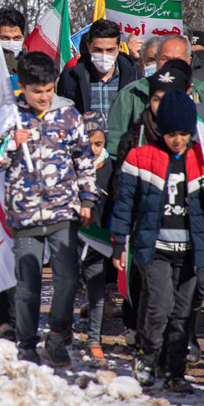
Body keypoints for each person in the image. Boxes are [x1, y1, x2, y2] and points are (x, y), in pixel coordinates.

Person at [0, 51, 98, 367]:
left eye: (49, 90)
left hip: (63, 212)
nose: (44, 97)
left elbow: (84, 160)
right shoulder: (11, 117)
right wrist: (10, 142)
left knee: (67, 280)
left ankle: (58, 335)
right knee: (28, 284)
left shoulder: (68, 116)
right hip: (26, 214)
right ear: (23, 87)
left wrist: (88, 200)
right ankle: (27, 343)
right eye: (37, 92)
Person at [110, 89, 204, 390]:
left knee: (182, 313)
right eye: (172, 133)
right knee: (158, 307)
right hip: (155, 249)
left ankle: (174, 370)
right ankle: (146, 357)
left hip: (190, 251)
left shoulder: (201, 160)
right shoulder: (141, 157)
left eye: (184, 134)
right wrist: (119, 243)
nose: (178, 140)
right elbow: (124, 204)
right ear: (160, 130)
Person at [106, 34, 204, 162]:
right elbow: (114, 149)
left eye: (177, 58)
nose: (170, 63)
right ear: (157, 59)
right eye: (165, 58)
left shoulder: (203, 94)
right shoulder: (131, 94)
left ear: (189, 61)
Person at [78, 111, 113, 364]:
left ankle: (94, 338)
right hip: (72, 239)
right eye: (86, 143)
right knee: (67, 287)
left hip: (98, 240)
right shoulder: (70, 167)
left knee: (97, 291)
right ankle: (62, 335)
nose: (91, 149)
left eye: (98, 144)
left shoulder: (111, 169)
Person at [57, 19, 141, 117]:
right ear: (89, 47)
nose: (104, 55)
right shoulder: (70, 78)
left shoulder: (134, 76)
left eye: (110, 50)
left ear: (118, 47)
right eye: (98, 50)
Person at [0, 6, 26, 75]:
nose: (11, 42)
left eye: (16, 38)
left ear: (23, 37)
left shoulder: (32, 67)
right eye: (5, 38)